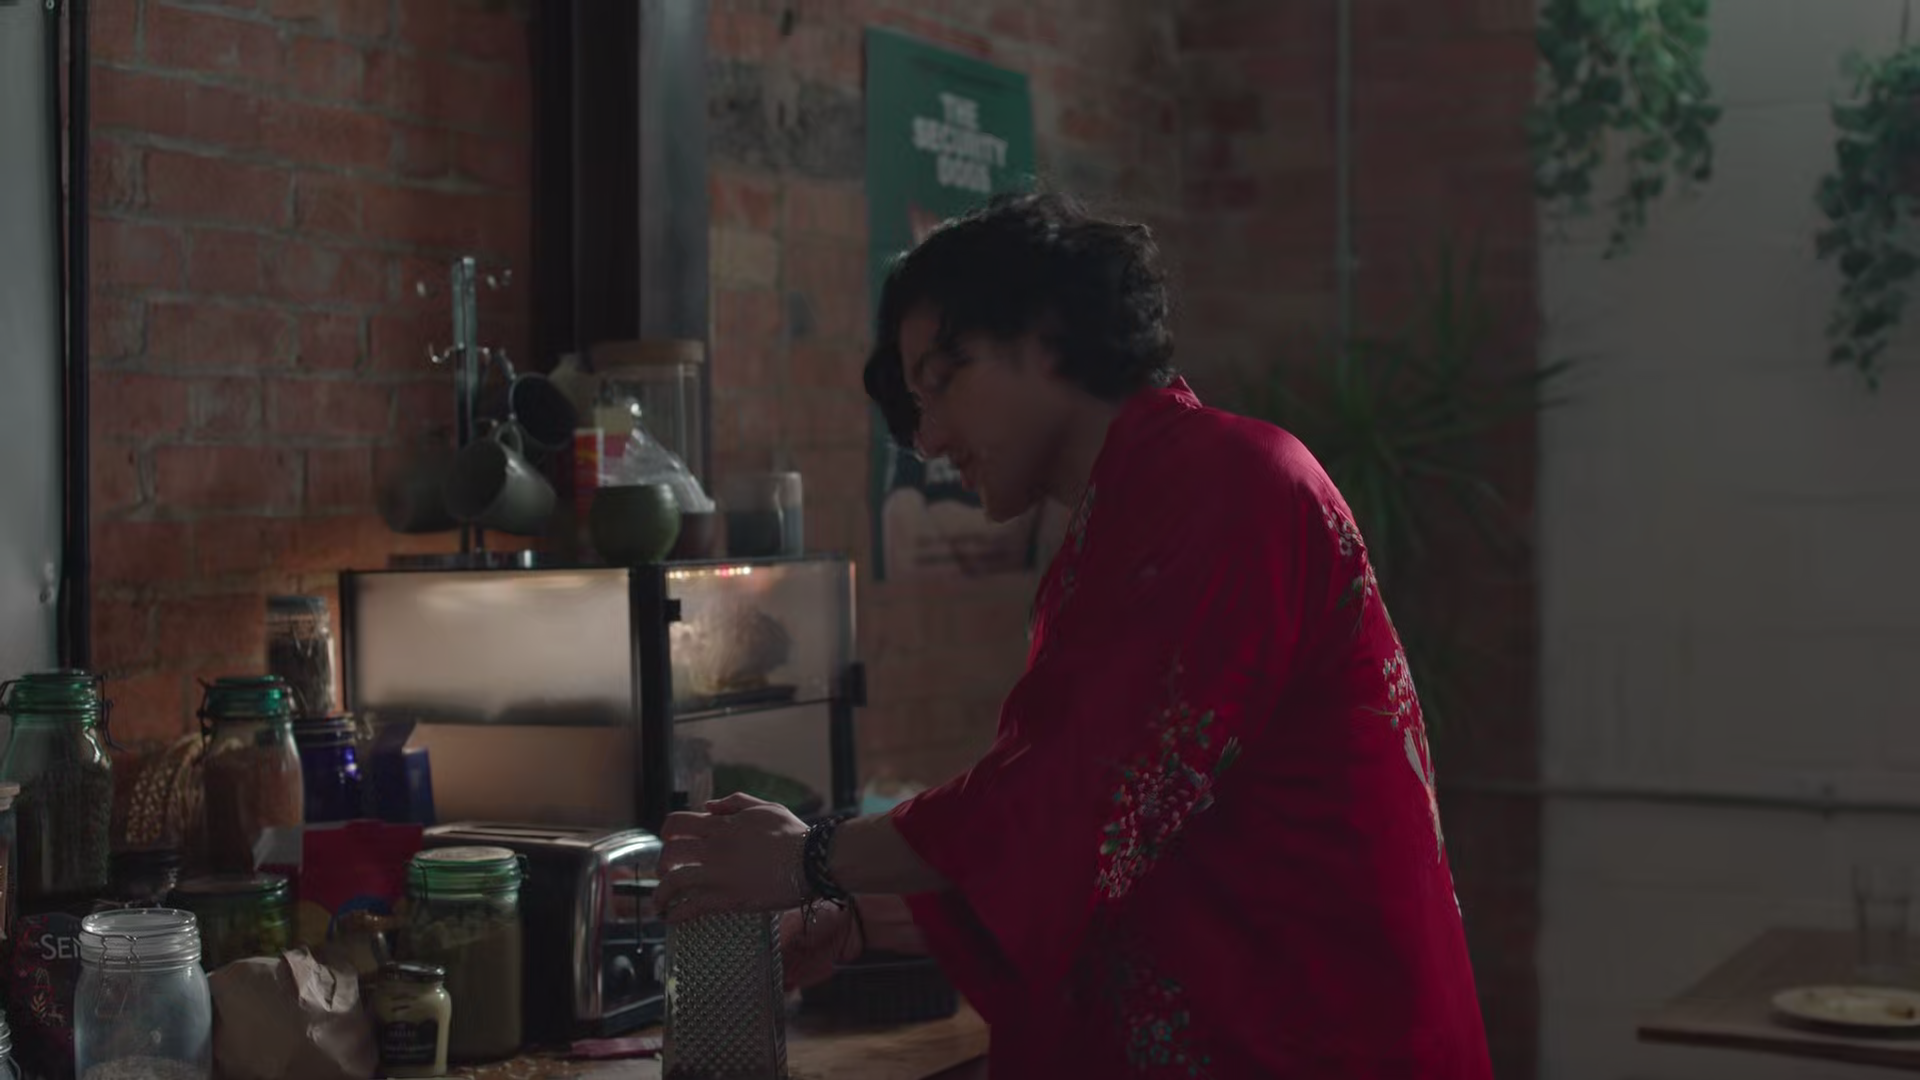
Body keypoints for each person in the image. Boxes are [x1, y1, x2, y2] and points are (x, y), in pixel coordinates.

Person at [655, 192, 1494, 1078]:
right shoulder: (1127, 520)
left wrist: (812, 858)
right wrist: (861, 917)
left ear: (1049, 333)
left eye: (945, 378)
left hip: (1316, 1039)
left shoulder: (1229, 482)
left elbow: (1069, 794)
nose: (929, 437)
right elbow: (1094, 849)